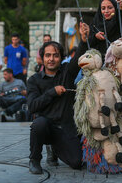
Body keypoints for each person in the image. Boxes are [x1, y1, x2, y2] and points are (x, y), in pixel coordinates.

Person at [27, 22, 90, 174]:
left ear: (61, 58)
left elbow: (77, 60)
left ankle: (55, 149)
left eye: (55, 55)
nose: (51, 59)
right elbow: (32, 106)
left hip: (65, 128)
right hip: (46, 128)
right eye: (48, 55)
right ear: (42, 58)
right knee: (38, 124)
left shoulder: (67, 72)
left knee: (77, 163)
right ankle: (34, 159)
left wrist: (83, 39)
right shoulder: (34, 80)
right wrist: (52, 92)